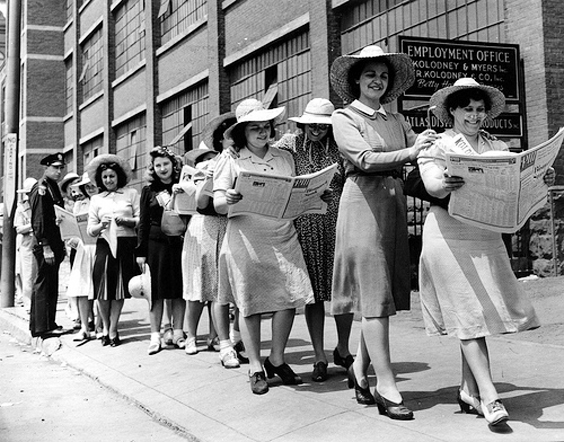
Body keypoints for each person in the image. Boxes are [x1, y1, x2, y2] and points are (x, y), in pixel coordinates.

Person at [417, 77, 555, 426]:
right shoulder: (437, 144)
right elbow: (431, 183)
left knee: (475, 315)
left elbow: (515, 189)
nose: (475, 115)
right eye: (468, 109)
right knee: (467, 313)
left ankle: (468, 391)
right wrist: (444, 182)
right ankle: (490, 397)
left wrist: (541, 179)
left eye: (480, 109)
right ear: (452, 110)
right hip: (447, 235)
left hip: (485, 236)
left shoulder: (498, 147)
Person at [329, 45, 437, 419]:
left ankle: (360, 370)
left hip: (393, 204)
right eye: (370, 74)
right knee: (374, 296)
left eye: (384, 75)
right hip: (362, 202)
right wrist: (411, 153)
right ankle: (386, 385)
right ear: (356, 80)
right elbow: (363, 159)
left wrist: (438, 147)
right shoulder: (344, 117)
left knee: (379, 296)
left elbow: (420, 153)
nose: (378, 80)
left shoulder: (397, 119)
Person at [213, 99, 315, 394]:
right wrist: (227, 199)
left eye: (266, 126)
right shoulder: (230, 158)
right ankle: (255, 365)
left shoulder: (283, 157)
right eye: (254, 128)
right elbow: (217, 203)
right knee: (250, 302)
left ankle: (277, 358)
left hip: (282, 234)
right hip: (246, 237)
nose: (262, 132)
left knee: (289, 297)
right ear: (242, 132)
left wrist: (310, 197)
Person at [275, 98, 352, 382]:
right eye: (311, 125)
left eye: (322, 125)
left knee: (343, 291)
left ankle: (343, 348)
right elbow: (265, 157)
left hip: (337, 224)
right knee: (314, 295)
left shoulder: (339, 146)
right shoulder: (290, 144)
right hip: (305, 225)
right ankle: (319, 355)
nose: (316, 130)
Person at [182, 114, 242, 369]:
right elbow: (199, 203)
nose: (234, 141)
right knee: (209, 284)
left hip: (238, 223)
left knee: (237, 285)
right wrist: (207, 180)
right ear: (220, 140)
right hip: (210, 226)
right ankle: (201, 337)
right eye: (229, 136)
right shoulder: (209, 164)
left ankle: (233, 338)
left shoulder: (249, 160)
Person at [136, 146, 187, 355]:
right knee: (155, 292)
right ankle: (155, 335)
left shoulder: (182, 185)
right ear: (153, 168)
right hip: (155, 245)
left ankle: (179, 332)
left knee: (178, 290)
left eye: (166, 164)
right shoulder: (149, 190)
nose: (162, 168)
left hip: (179, 243)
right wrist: (141, 252)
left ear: (174, 165)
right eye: (158, 165)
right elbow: (143, 222)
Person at [87, 154, 140, 347]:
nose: (108, 180)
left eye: (112, 176)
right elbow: (90, 230)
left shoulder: (131, 194)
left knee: (119, 289)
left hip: (126, 244)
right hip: (105, 245)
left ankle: (113, 329)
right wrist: (101, 225)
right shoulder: (96, 199)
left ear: (119, 177)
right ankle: (104, 326)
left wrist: (127, 221)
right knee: (103, 290)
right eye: (105, 177)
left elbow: (140, 220)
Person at [28, 152, 68, 338]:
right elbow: (39, 219)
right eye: (55, 167)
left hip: (54, 243)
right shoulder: (42, 188)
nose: (59, 171)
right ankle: (43, 328)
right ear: (46, 167)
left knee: (51, 284)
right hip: (46, 244)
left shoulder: (52, 187)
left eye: (61, 168)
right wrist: (45, 246)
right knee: (44, 284)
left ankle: (45, 324)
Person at [66, 172, 98, 343]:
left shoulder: (103, 201)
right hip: (83, 249)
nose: (90, 188)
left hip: (100, 247)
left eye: (92, 185)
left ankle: (100, 326)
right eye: (87, 186)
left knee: (100, 288)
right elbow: (74, 228)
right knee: (81, 288)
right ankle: (85, 327)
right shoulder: (79, 205)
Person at [14, 177, 38, 311]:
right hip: (27, 243)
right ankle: (28, 304)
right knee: (28, 274)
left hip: (39, 242)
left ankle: (37, 303)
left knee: (38, 274)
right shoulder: (21, 208)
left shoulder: (40, 205)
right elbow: (19, 228)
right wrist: (33, 225)